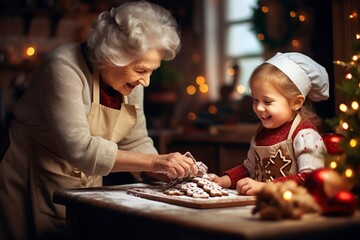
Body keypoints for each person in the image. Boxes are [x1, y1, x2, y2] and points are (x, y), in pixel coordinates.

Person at [0, 1, 197, 239]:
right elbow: (80, 148)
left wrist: (162, 172)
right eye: (141, 70)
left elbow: (136, 141)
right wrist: (155, 161)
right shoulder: (63, 67)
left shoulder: (131, 81)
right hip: (31, 177)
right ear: (111, 57)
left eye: (152, 70)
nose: (146, 82)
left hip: (86, 185)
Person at [209, 52, 329, 196]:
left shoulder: (305, 135)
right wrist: (224, 180)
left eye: (267, 101)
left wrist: (265, 187)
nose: (259, 108)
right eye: (255, 99)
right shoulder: (261, 133)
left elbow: (310, 179)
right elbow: (249, 168)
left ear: (296, 102)